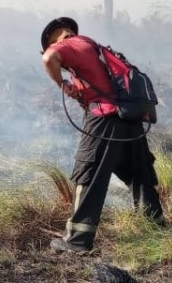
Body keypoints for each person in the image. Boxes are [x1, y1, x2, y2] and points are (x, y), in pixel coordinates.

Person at [40, 17, 165, 254]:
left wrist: (62, 85)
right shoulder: (92, 47)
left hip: (105, 120)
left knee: (88, 174)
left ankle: (77, 241)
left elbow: (49, 59)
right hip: (130, 120)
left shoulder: (68, 43)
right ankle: (156, 229)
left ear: (55, 38)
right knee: (139, 175)